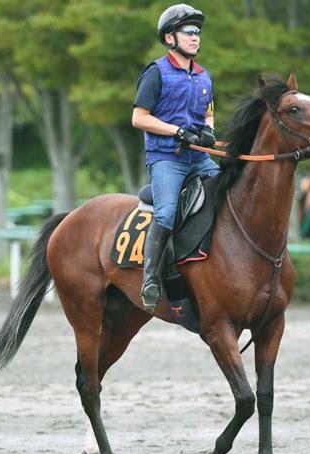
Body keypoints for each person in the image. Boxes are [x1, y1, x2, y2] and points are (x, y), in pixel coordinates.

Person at [132, 3, 220, 313]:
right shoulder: (155, 73)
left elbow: (208, 115)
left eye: (198, 32)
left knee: (228, 192)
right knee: (167, 213)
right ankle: (151, 278)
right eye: (189, 32)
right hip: (166, 158)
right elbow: (139, 118)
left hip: (198, 158)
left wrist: (208, 132)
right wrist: (176, 131)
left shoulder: (203, 76)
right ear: (171, 38)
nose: (196, 37)